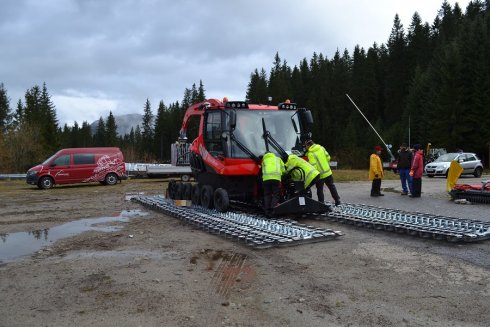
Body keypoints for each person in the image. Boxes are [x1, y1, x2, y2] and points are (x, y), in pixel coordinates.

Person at [304, 140, 341, 205]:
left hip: (320, 175)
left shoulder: (311, 154)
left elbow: (313, 166)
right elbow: (328, 157)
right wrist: (325, 165)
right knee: (332, 186)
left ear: (309, 145)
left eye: (305, 146)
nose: (305, 148)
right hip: (328, 172)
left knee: (320, 190)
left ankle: (321, 203)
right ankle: (337, 200)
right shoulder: (321, 148)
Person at [261, 151, 286, 216]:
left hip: (266, 179)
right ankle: (273, 210)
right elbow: (283, 170)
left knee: (267, 194)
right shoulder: (278, 159)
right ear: (272, 154)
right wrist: (282, 174)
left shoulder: (264, 160)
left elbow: (262, 170)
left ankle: (267, 211)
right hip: (276, 178)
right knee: (275, 194)